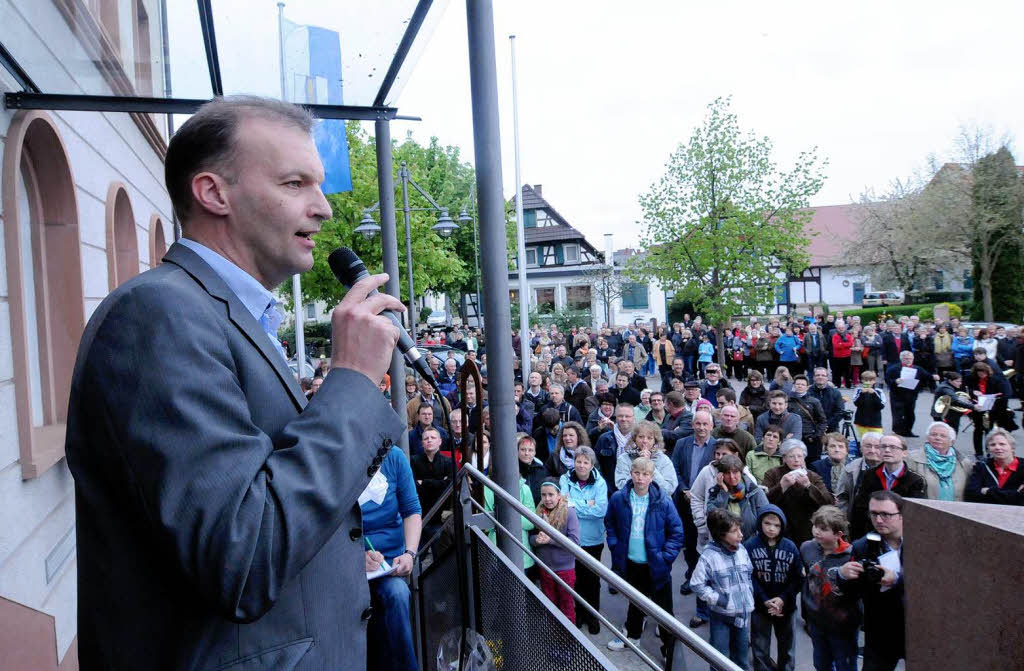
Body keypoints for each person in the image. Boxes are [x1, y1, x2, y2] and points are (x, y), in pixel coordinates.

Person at [65, 97, 409, 670]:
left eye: (318, 186)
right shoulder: (158, 317)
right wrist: (349, 380)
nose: (323, 209)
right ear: (213, 193)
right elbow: (243, 555)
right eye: (296, 182)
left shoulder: (213, 314)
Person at [604, 458, 685, 661]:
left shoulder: (663, 501)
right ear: (631, 473)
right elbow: (610, 522)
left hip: (655, 564)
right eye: (637, 473)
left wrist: (665, 557)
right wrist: (614, 544)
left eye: (645, 474)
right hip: (631, 561)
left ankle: (668, 648)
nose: (640, 478)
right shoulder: (618, 498)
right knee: (635, 601)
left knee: (664, 609)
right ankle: (633, 636)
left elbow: (676, 532)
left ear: (652, 476)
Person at [360, 445, 422, 671]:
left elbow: (412, 510)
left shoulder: (394, 456)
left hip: (389, 566)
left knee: (397, 594)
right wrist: (356, 558)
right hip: (345, 564)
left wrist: (410, 554)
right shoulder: (334, 455)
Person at [838, 491, 907, 671]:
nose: (878, 520)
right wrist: (843, 575)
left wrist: (898, 580)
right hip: (880, 630)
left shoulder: (922, 541)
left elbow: (935, 582)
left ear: (902, 515)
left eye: (885, 514)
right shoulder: (863, 546)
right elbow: (852, 592)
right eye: (874, 514)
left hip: (917, 627)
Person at [690, 508, 755, 671]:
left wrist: (749, 597)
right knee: (719, 659)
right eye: (734, 531)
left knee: (741, 659)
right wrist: (720, 600)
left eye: (739, 529)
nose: (740, 534)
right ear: (721, 534)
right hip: (721, 616)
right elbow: (697, 584)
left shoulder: (742, 550)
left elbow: (749, 574)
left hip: (742, 615)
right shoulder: (709, 556)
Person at [800, 506, 860, 671]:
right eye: (815, 526)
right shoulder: (807, 548)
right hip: (817, 620)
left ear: (838, 534)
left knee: (845, 664)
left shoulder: (852, 555)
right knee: (821, 663)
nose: (817, 531)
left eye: (823, 529)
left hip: (843, 625)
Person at [745, 506, 802, 671]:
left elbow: (798, 578)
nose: (771, 528)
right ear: (760, 523)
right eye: (767, 523)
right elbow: (749, 576)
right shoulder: (750, 545)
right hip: (760, 607)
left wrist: (783, 599)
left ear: (782, 526)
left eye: (776, 525)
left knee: (787, 648)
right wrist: (764, 600)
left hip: (786, 607)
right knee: (760, 646)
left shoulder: (790, 547)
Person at [559, 446, 609, 634]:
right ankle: (578, 613)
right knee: (576, 578)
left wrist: (575, 504)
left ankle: (592, 615)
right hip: (572, 538)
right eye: (578, 461)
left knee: (592, 580)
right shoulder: (565, 479)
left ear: (591, 464)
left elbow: (601, 510)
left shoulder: (600, 483)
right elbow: (563, 506)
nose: (581, 465)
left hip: (593, 539)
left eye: (585, 462)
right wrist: (588, 504)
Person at [671, 410, 717, 602]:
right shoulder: (682, 444)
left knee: (707, 544)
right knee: (690, 544)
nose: (701, 428)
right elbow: (675, 468)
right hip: (684, 500)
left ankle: (706, 579)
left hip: (707, 504)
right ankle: (691, 576)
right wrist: (684, 489)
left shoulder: (717, 446)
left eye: (705, 424)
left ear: (712, 426)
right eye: (698, 423)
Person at [849, 434, 926, 539]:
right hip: (872, 533)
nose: (887, 450)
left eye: (893, 447)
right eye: (883, 447)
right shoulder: (870, 475)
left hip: (901, 536)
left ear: (904, 453)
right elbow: (859, 509)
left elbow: (914, 516)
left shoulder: (915, 480)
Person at [762, 439, 832, 545]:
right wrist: (781, 486)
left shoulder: (812, 476)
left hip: (806, 527)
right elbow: (764, 501)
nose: (796, 460)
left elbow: (827, 502)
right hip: (779, 525)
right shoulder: (772, 474)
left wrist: (809, 486)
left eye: (800, 456)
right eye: (791, 456)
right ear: (784, 458)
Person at [531, 479, 581, 624]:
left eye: (551, 495)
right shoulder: (539, 511)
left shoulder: (569, 512)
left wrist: (550, 540)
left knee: (567, 605)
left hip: (564, 568)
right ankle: (553, 632)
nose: (547, 499)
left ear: (559, 495)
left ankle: (568, 638)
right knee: (549, 603)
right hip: (545, 567)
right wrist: (536, 540)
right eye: (544, 495)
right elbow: (531, 538)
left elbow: (575, 542)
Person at [906, 421, 972, 501]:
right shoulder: (912, 459)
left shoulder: (964, 463)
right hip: (925, 510)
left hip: (956, 510)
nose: (937, 438)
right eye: (933, 434)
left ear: (951, 442)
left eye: (943, 436)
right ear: (927, 438)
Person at [614, 420, 678, 494]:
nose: (645, 441)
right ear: (635, 439)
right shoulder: (624, 459)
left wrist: (650, 465)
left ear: (655, 441)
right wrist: (638, 465)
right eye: (641, 437)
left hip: (658, 502)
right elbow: (621, 486)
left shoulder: (663, 460)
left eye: (649, 438)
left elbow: (669, 489)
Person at [884, 350, 936, 437]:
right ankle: (897, 432)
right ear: (901, 359)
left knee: (910, 414)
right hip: (897, 395)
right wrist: (895, 381)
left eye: (910, 358)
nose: (908, 360)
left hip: (911, 395)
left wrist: (933, 376)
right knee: (898, 414)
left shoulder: (917, 368)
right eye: (906, 358)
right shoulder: (894, 368)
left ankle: (907, 431)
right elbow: (887, 380)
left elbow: (927, 376)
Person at [965, 428, 1024, 505]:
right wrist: (1014, 493)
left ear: (1012, 447)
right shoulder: (981, 467)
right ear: (988, 449)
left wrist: (988, 491)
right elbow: (971, 495)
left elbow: (1021, 499)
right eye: (993, 445)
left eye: (1002, 444)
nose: (997, 448)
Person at [835, 432, 883, 516]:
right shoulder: (850, 469)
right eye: (868, 446)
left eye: (877, 447)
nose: (872, 450)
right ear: (861, 448)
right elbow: (842, 498)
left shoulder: (889, 468)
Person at [410, 426, 454, 519]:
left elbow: (450, 485)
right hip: (420, 511)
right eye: (426, 438)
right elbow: (413, 486)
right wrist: (440, 482)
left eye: (433, 438)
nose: (429, 440)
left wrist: (424, 482)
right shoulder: (413, 461)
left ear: (440, 441)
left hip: (442, 512)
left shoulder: (449, 462)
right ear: (422, 443)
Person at [595, 403, 638, 493]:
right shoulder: (604, 439)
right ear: (616, 417)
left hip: (636, 488)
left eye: (627, 416)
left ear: (634, 417)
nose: (624, 419)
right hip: (609, 489)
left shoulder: (641, 439)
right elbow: (596, 465)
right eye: (620, 416)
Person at [787, 375, 828, 461]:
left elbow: (822, 421)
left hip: (810, 439)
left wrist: (816, 436)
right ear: (794, 385)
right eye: (798, 384)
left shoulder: (814, 402)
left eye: (802, 384)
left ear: (807, 387)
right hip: (793, 438)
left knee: (812, 465)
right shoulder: (787, 401)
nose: (800, 386)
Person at [809, 432, 852, 497]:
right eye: (832, 446)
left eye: (841, 446)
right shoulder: (816, 467)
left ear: (846, 450)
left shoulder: (854, 466)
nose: (837, 450)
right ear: (826, 449)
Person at [809, 368, 845, 433]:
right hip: (812, 428)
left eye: (823, 375)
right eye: (818, 375)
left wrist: (826, 425)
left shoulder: (835, 392)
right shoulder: (807, 392)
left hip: (832, 428)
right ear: (813, 377)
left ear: (827, 378)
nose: (820, 377)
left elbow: (840, 412)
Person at [517, 434, 551, 505]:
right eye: (523, 450)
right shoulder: (512, 470)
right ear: (517, 451)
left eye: (530, 450)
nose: (526, 453)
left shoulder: (542, 471)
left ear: (535, 452)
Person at [852, 370, 886, 439]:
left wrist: (874, 394)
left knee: (877, 440)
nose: (868, 382)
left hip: (875, 422)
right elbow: (856, 403)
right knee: (863, 440)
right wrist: (862, 394)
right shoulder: (858, 390)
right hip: (861, 422)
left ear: (874, 381)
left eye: (870, 380)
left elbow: (881, 405)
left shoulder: (879, 391)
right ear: (862, 380)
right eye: (866, 380)